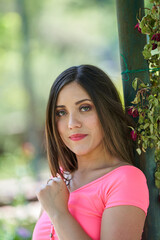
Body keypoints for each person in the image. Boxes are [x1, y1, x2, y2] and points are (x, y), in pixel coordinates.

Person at [32, 64, 149, 240]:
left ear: (107, 111)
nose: (72, 123)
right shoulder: (60, 180)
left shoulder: (125, 180)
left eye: (85, 108)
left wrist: (59, 214)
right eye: (61, 112)